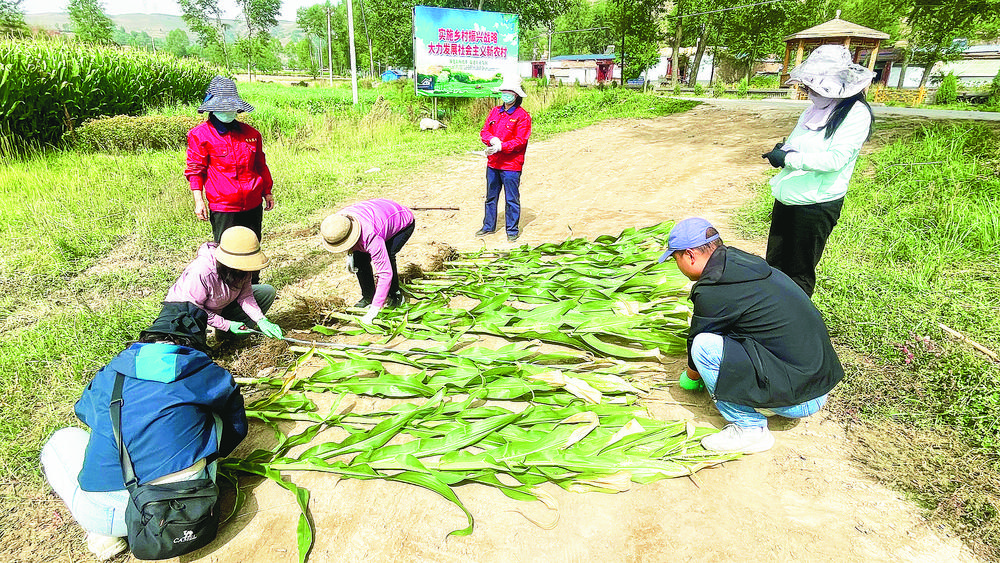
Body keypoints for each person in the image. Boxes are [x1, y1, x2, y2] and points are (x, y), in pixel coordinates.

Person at [40, 306, 248, 560]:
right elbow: (237, 425)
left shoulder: (112, 373)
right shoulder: (202, 368)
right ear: (193, 342)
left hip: (115, 513)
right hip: (193, 501)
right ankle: (192, 476)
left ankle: (105, 533)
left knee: (61, 439)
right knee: (215, 412)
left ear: (149, 338)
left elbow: (85, 413)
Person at [660, 217, 844, 453]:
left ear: (690, 255)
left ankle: (749, 430)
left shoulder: (713, 289)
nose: (678, 266)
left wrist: (692, 377)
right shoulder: (741, 263)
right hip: (817, 383)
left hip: (801, 399)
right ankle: (766, 400)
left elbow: (696, 347)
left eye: (676, 259)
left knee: (703, 347)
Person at [761, 44, 875, 297]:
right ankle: (770, 316)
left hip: (815, 205)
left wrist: (790, 159)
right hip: (788, 198)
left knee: (798, 271)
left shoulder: (855, 114)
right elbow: (796, 144)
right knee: (775, 265)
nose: (809, 91)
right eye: (806, 86)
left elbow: (835, 160)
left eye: (813, 86)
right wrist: (781, 151)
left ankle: (794, 323)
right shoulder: (812, 110)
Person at [185, 75, 274, 282]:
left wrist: (267, 191)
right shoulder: (200, 135)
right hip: (224, 206)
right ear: (212, 107)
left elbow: (260, 164)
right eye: (224, 107)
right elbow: (195, 170)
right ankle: (227, 292)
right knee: (228, 251)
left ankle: (252, 288)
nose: (228, 112)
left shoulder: (251, 134)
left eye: (232, 107)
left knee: (252, 246)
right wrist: (199, 201)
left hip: (252, 203)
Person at [164, 226, 283, 340]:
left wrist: (261, 319)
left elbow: (245, 296)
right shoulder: (202, 272)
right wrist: (226, 325)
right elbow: (194, 309)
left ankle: (228, 337)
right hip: (186, 312)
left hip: (219, 304)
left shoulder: (243, 270)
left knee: (266, 292)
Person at [320, 199, 415, 324]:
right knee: (359, 260)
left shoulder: (370, 236)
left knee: (388, 255)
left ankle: (396, 295)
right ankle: (368, 296)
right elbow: (350, 242)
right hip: (377, 214)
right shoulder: (337, 223)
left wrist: (375, 309)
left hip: (401, 221)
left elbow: (385, 273)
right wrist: (350, 255)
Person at [476, 75, 532, 242]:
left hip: (511, 165)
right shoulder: (495, 112)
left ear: (516, 95)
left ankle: (512, 230)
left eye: (509, 92)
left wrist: (503, 146)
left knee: (511, 198)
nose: (506, 95)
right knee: (491, 197)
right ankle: (488, 226)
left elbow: (521, 141)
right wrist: (491, 140)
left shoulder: (522, 116)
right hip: (493, 163)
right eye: (504, 92)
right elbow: (484, 131)